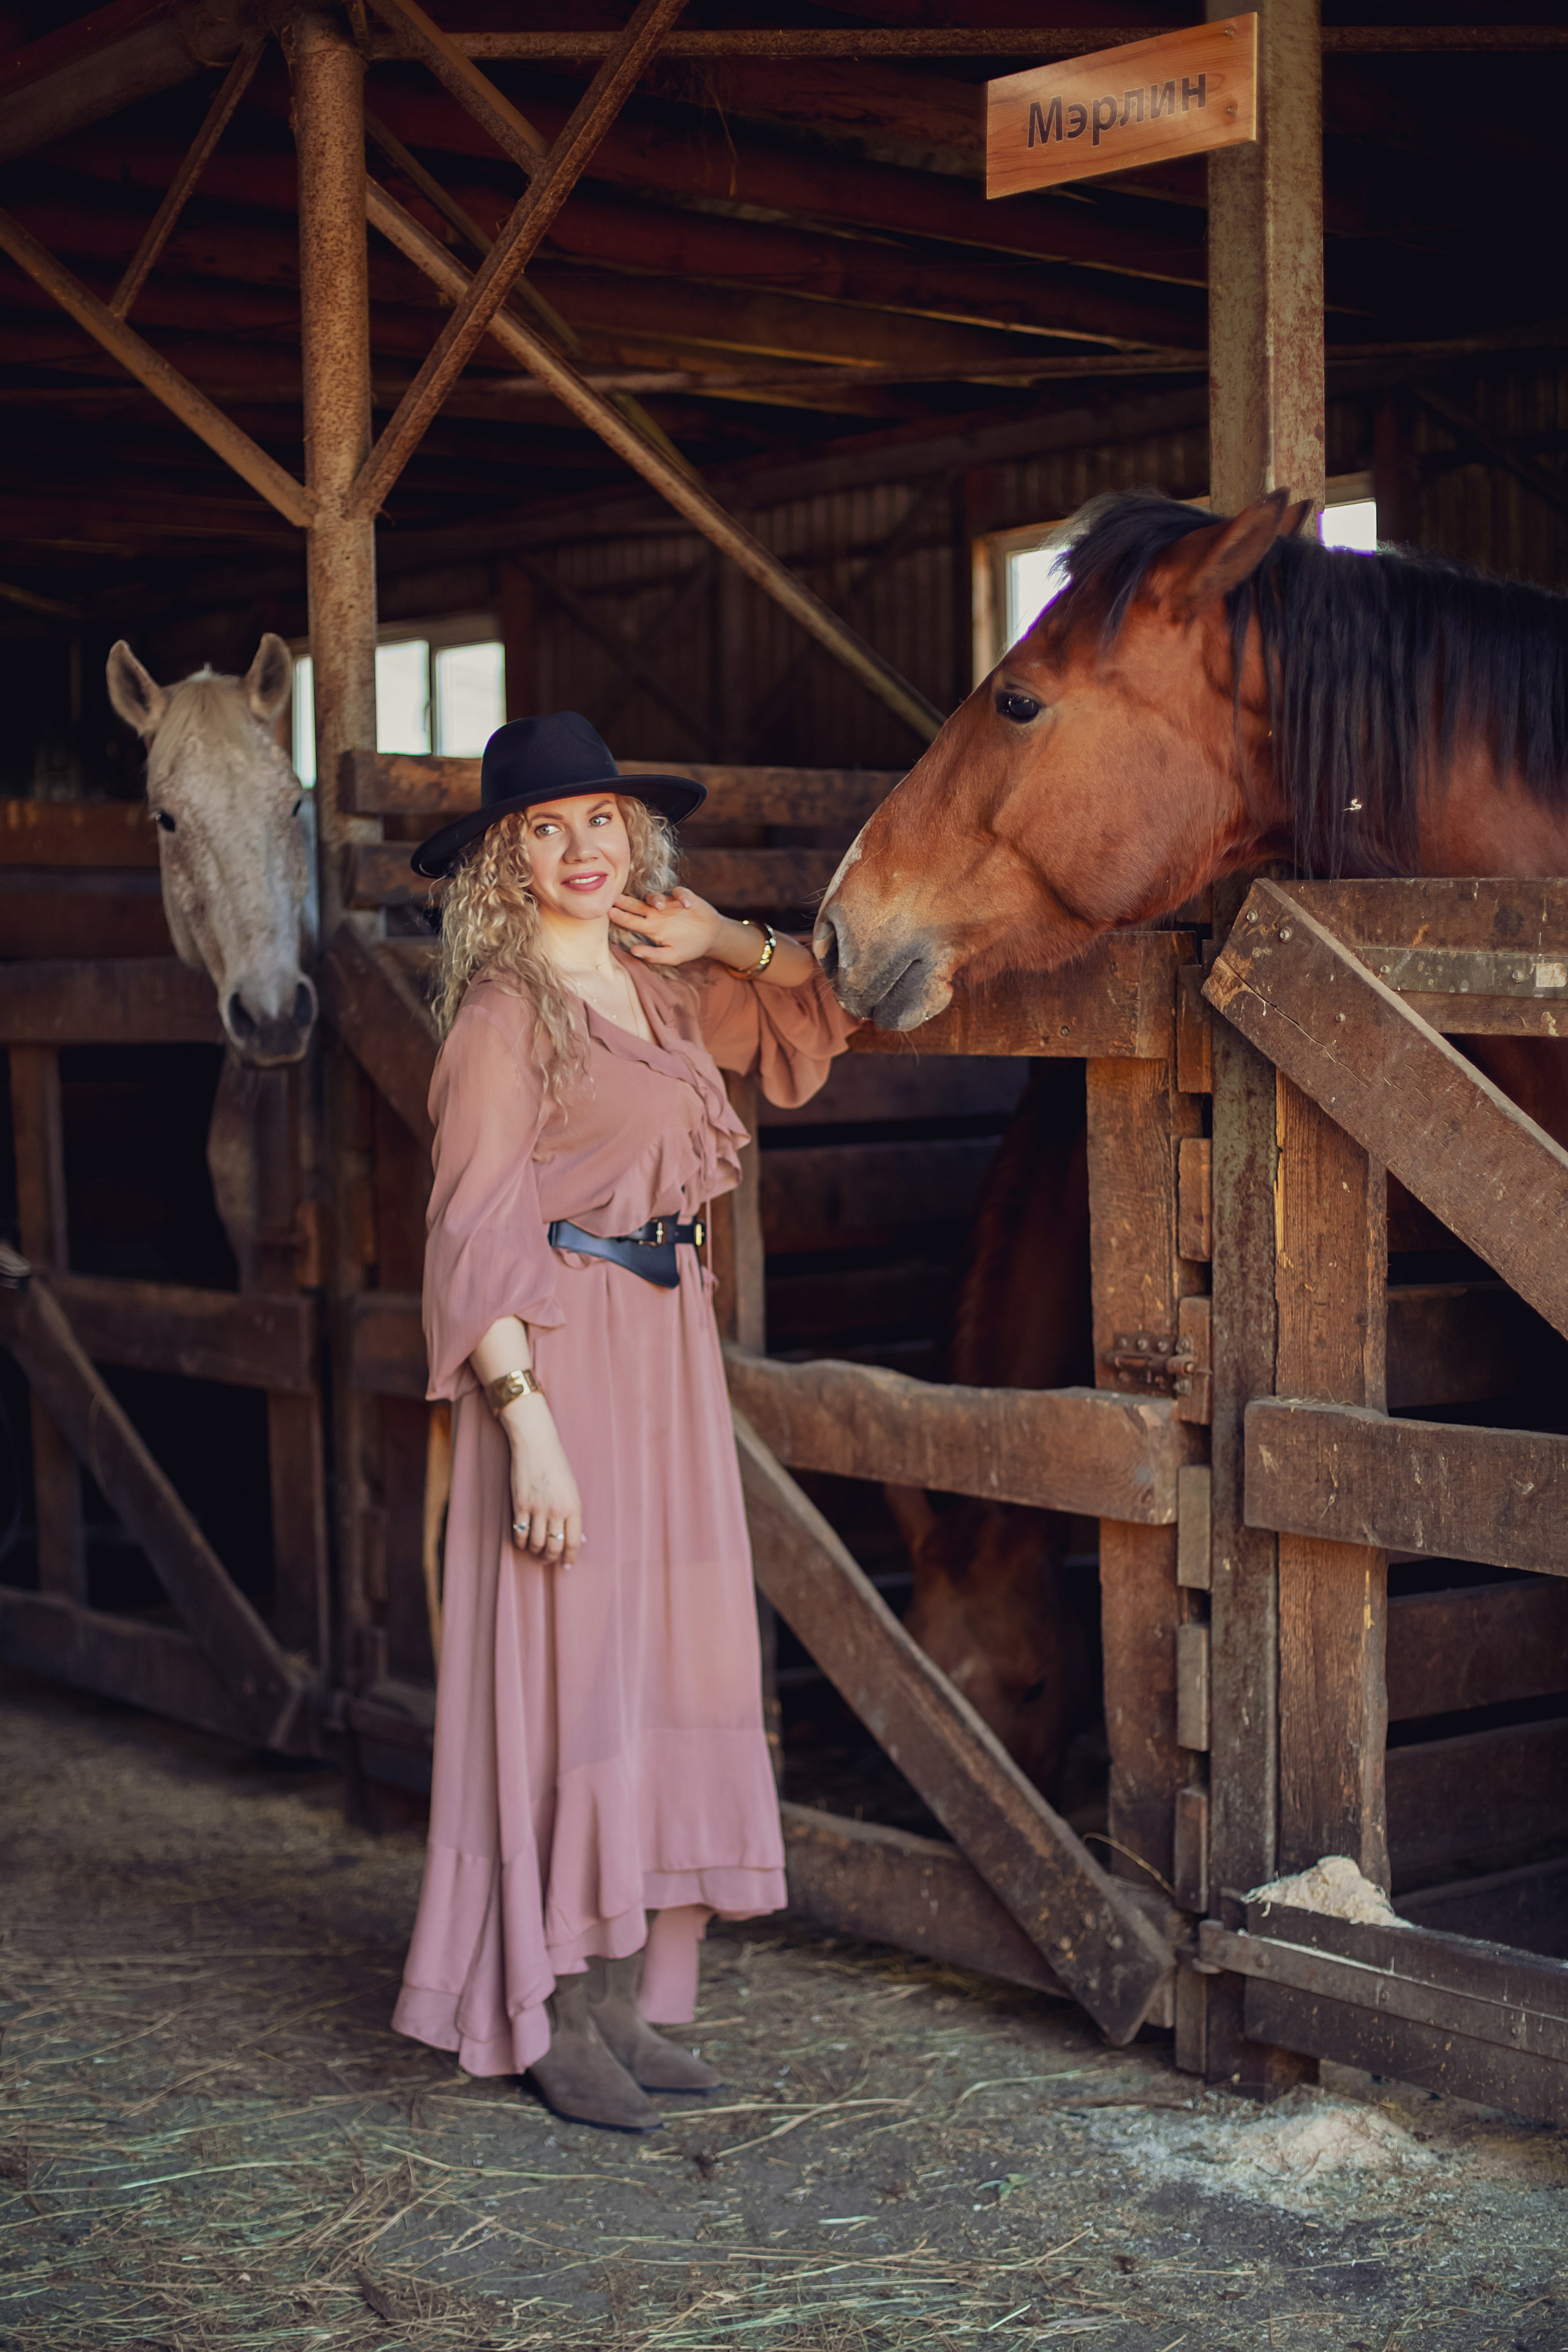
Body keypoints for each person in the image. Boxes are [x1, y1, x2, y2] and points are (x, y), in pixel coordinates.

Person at [391, 712, 859, 2132]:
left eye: (598, 818)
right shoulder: (496, 1020)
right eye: (545, 828)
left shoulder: (662, 993)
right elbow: (470, 1236)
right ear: (502, 860)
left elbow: (828, 1013)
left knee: (664, 1657)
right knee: (567, 1671)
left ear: (633, 837)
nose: (580, 847)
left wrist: (723, 941)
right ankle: (546, 2006)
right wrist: (525, 1426)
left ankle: (626, 1999)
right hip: (559, 1360)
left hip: (664, 1352)